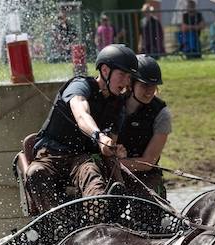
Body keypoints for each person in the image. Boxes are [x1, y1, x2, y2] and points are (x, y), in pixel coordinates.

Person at [24, 44, 138, 212]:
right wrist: (99, 136)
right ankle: (56, 223)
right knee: (36, 172)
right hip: (51, 155)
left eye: (129, 77)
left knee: (92, 175)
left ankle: (99, 218)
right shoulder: (80, 86)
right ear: (105, 70)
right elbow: (81, 114)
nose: (126, 82)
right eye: (122, 75)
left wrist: (112, 148)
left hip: (81, 159)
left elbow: (109, 145)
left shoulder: (118, 105)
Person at [117, 55, 171, 202]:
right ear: (131, 83)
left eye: (153, 86)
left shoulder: (162, 113)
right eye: (144, 85)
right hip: (112, 171)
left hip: (146, 175)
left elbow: (148, 162)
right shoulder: (113, 104)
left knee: (147, 205)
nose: (149, 91)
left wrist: (117, 163)